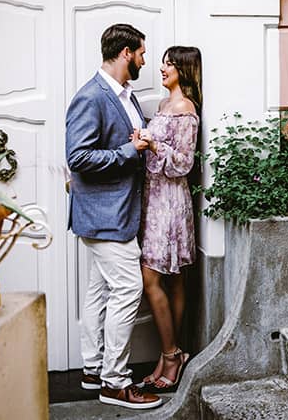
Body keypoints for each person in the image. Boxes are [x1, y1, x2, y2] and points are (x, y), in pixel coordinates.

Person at [65, 23, 161, 410]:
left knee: (99, 291)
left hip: (113, 212)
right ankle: (116, 383)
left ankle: (92, 369)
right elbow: (79, 157)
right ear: (125, 53)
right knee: (127, 290)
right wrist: (129, 150)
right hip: (106, 216)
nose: (143, 59)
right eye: (140, 52)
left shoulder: (126, 95)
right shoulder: (91, 96)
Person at [136, 45, 202, 393]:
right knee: (171, 279)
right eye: (162, 61)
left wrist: (154, 146)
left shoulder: (185, 109)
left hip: (172, 202)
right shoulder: (163, 106)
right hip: (154, 197)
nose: (162, 67)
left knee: (156, 278)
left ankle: (172, 354)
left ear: (184, 70)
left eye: (169, 63)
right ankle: (169, 355)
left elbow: (184, 163)